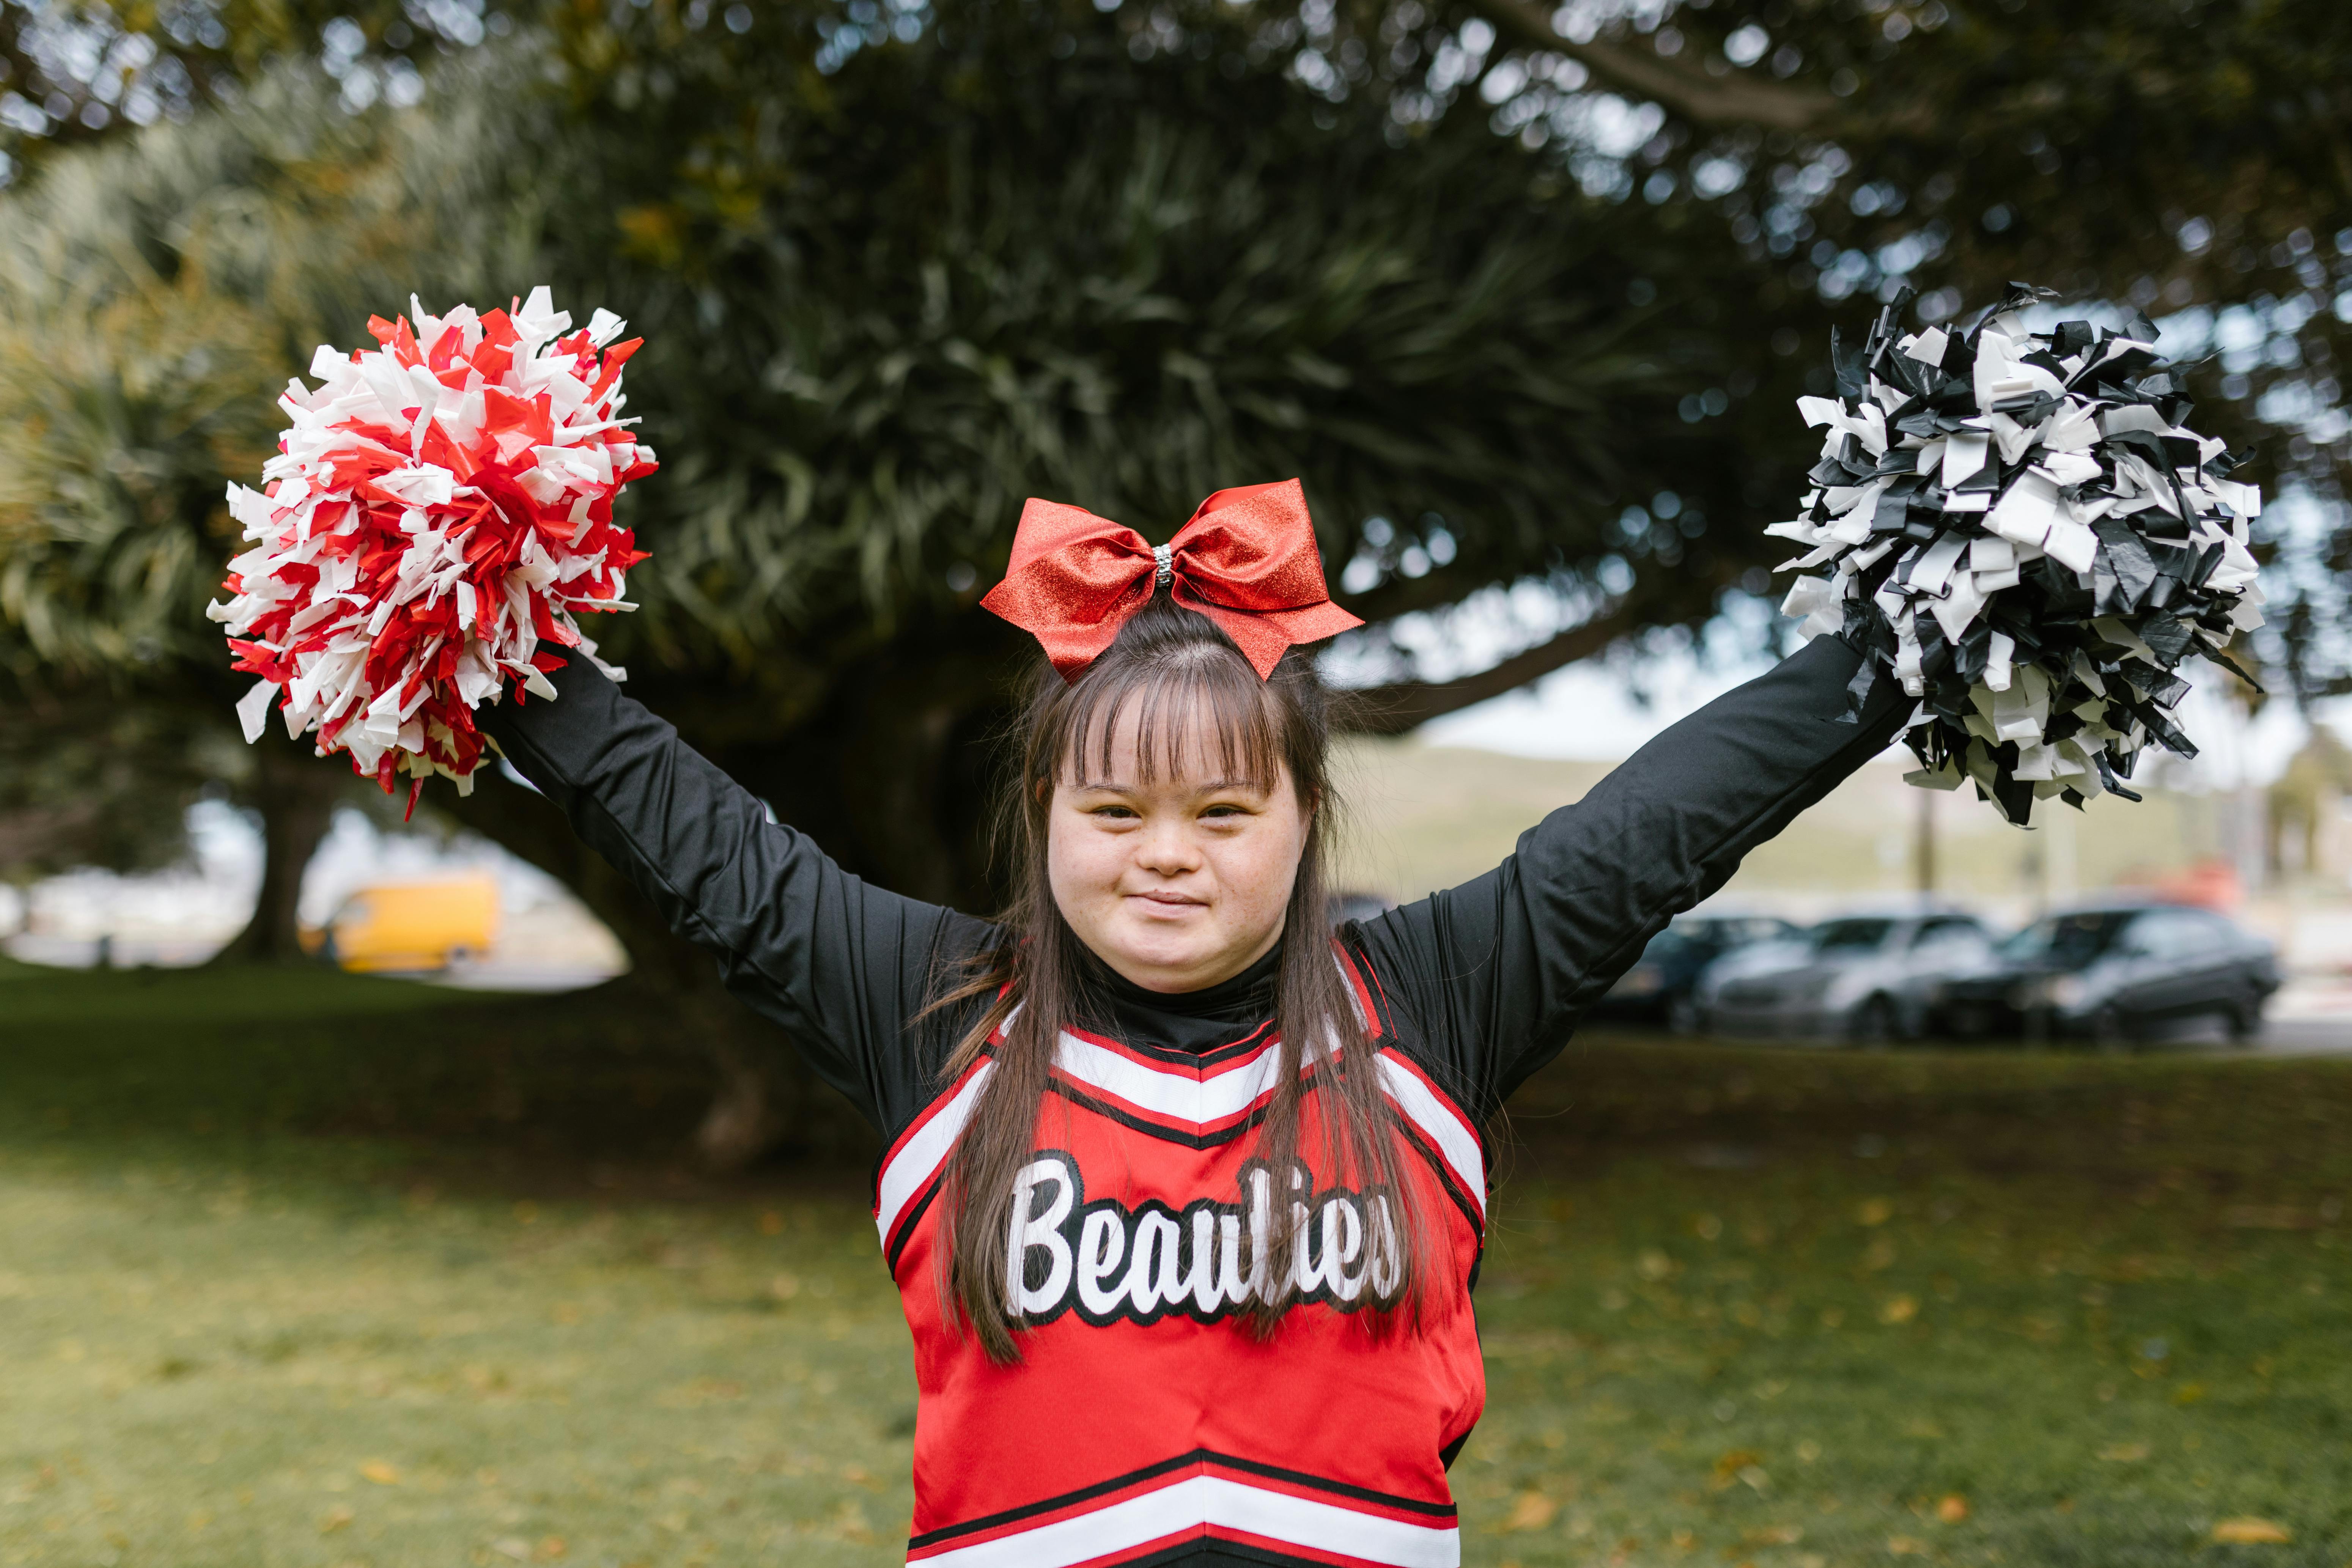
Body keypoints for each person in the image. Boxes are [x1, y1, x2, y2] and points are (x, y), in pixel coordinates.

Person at [478, 478, 1908, 1568]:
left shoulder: (1429, 1000)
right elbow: (696, 834)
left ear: (1304, 825)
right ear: (1042, 819)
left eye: (1224, 812)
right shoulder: (934, 1012)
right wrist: (464, 599)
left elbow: (1665, 823)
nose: (1169, 853)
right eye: (1115, 811)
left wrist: (1926, 620)